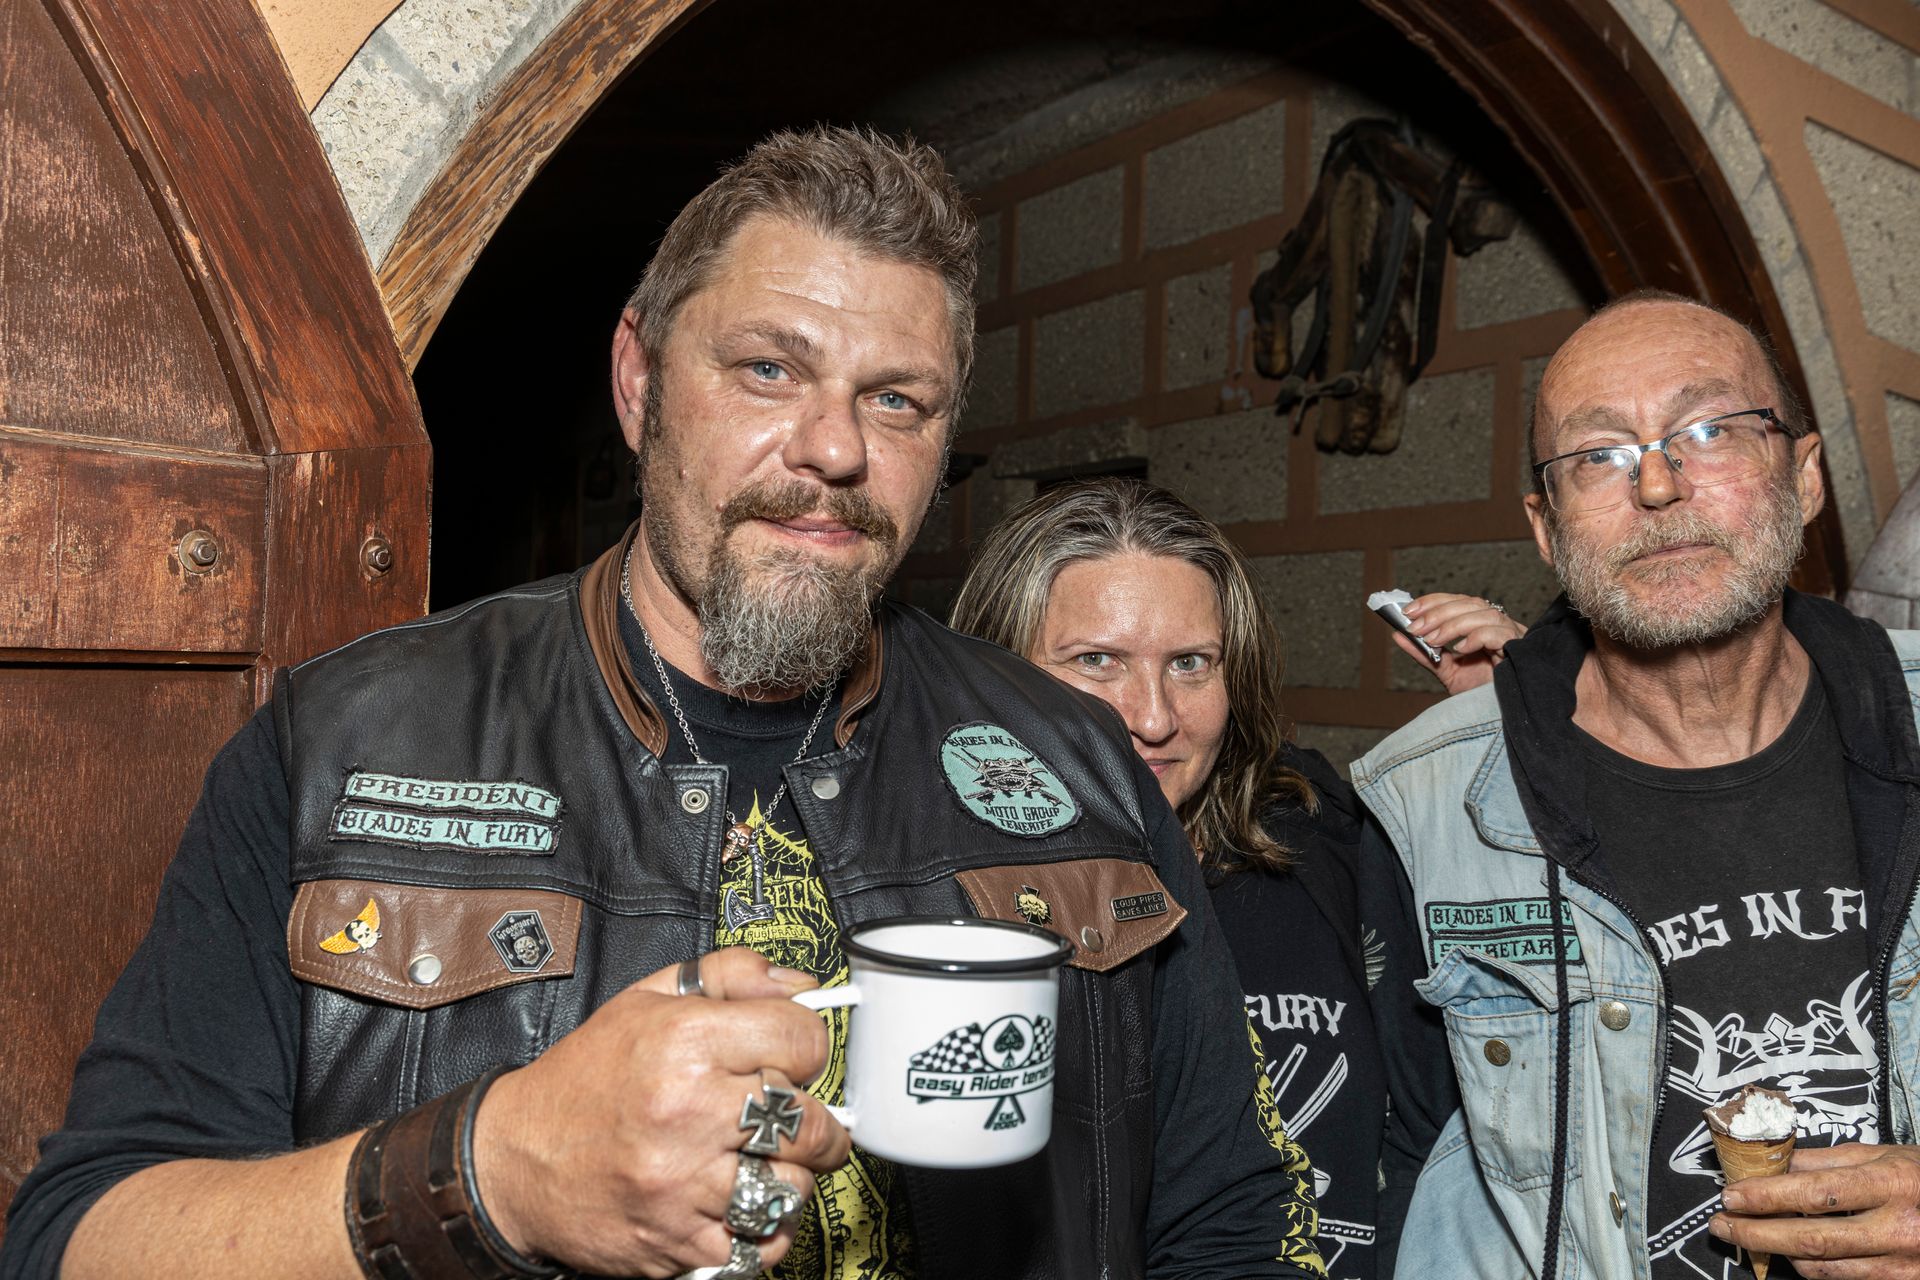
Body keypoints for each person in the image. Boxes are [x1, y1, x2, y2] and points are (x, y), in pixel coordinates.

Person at [2, 128, 1322, 1280]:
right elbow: (79, 1239)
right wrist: (489, 1174)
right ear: (639, 382)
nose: (833, 449)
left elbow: (1230, 1224)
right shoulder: (344, 743)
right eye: (767, 370)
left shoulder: (1074, 760)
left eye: (897, 399)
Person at [1353, 289, 1920, 1279]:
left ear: (1806, 473)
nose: (1658, 484)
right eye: (1599, 455)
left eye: (1709, 429)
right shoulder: (1426, 807)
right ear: (1546, 524)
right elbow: (1394, 1160)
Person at [948, 478, 1523, 1280]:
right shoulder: (932, 913)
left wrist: (1508, 746)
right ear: (990, 675)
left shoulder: (1319, 844)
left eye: (1190, 663)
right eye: (1096, 661)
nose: (1152, 716)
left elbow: (1455, 1103)